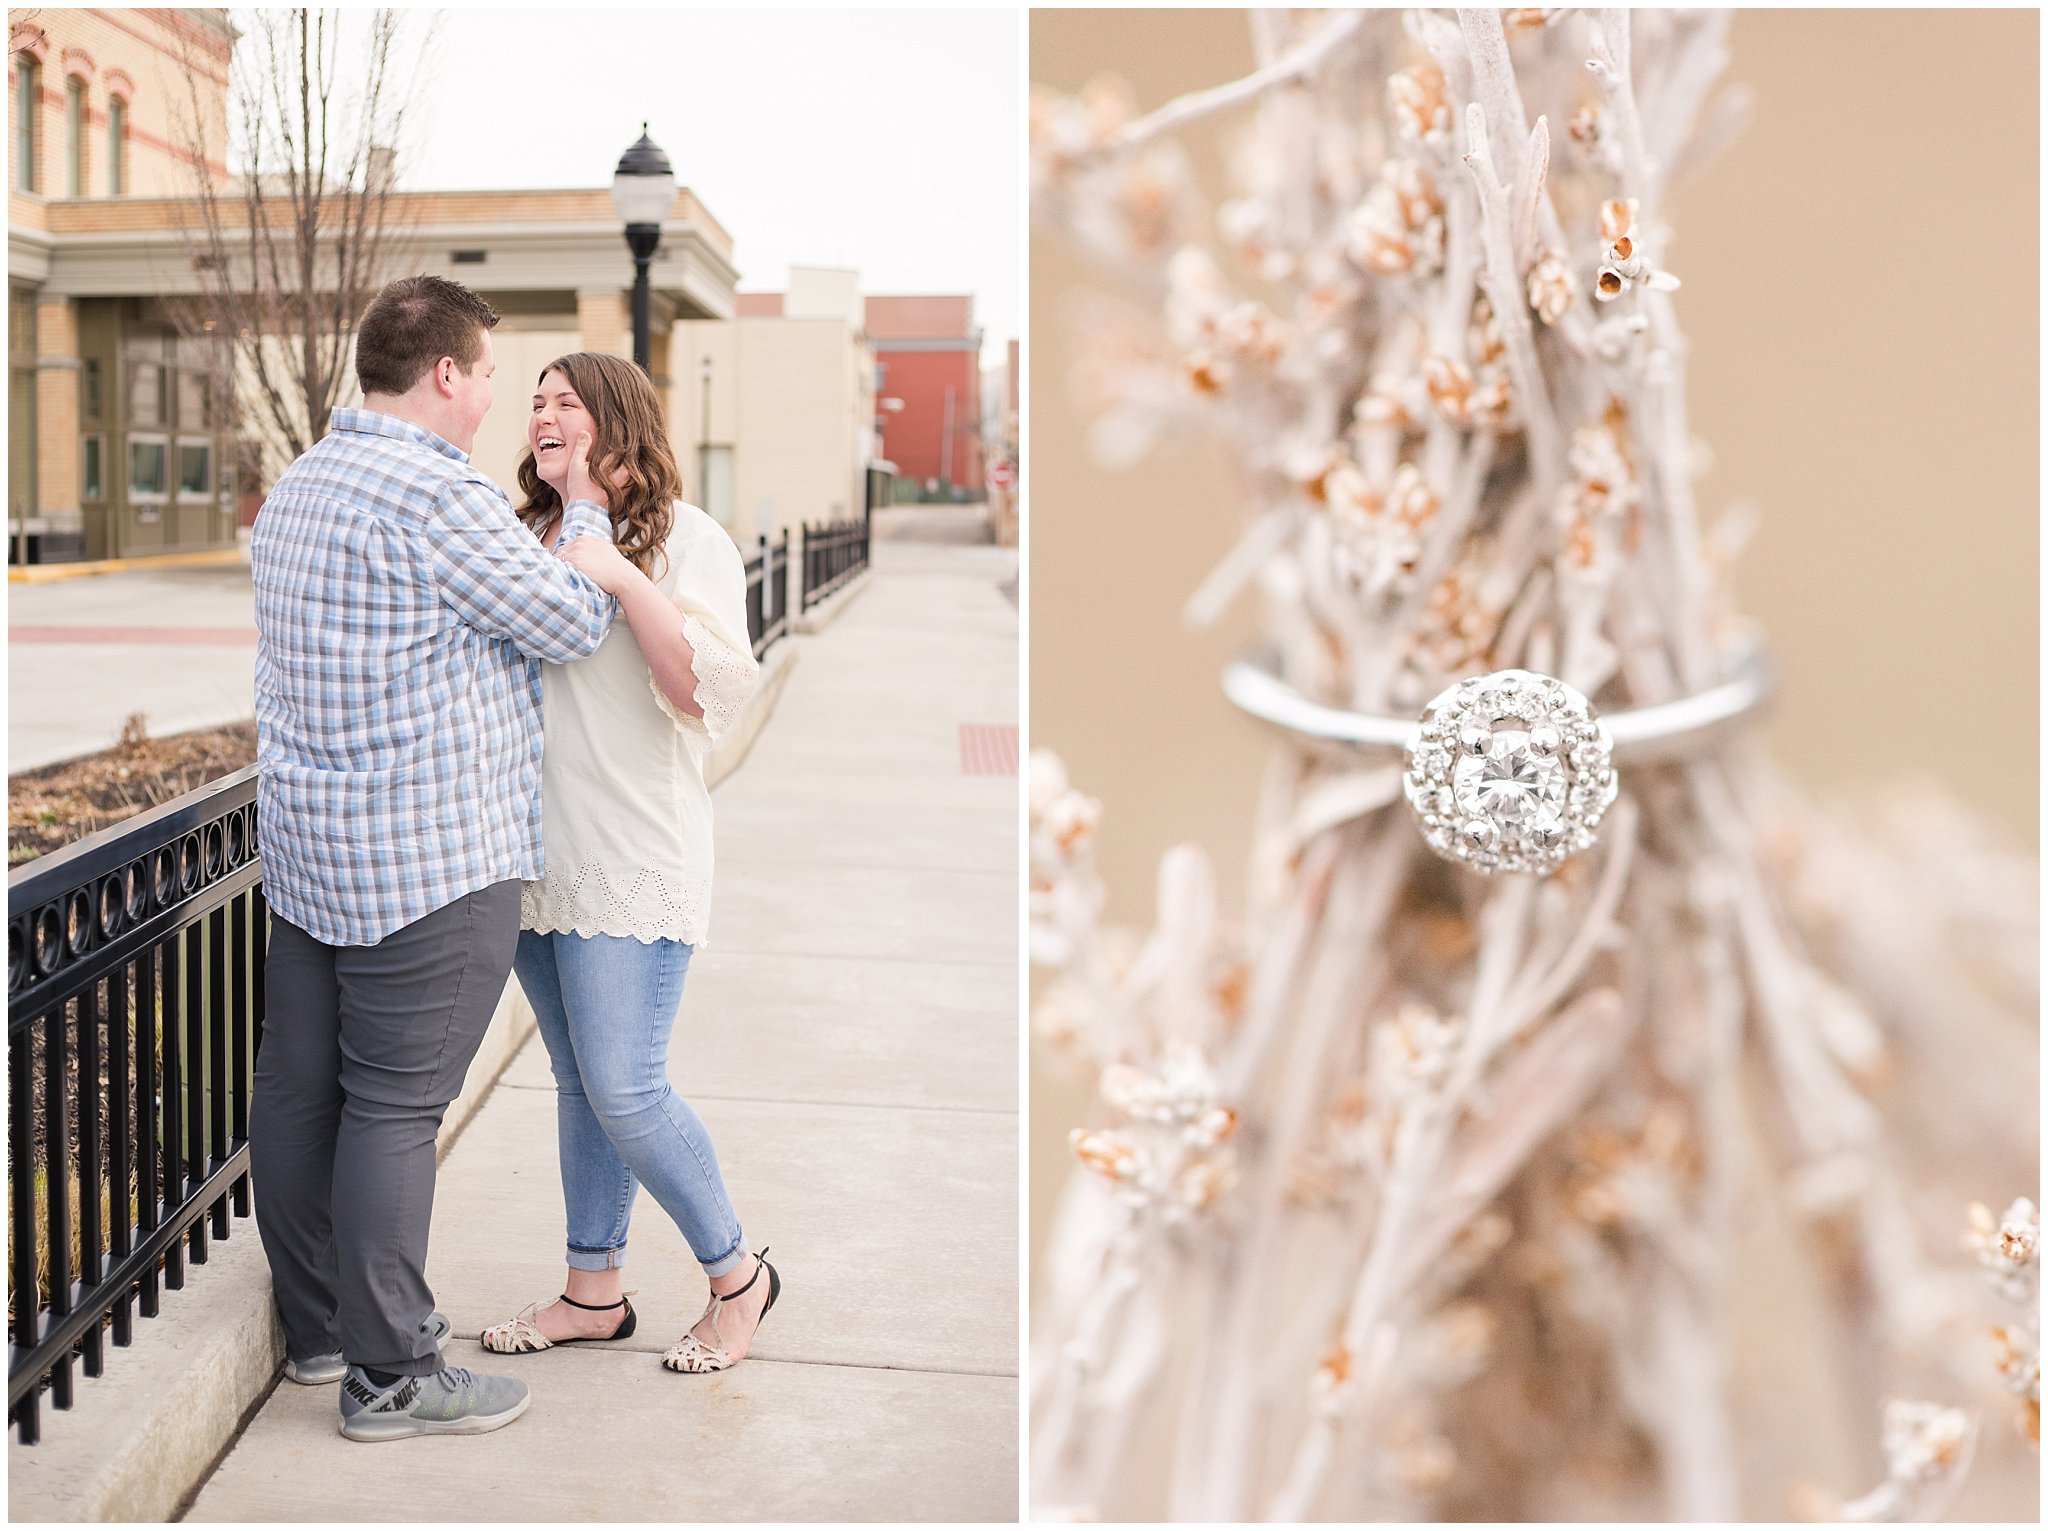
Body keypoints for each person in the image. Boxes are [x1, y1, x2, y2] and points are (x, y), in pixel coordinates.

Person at [248, 275, 636, 1441]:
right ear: (449, 374)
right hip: (429, 859)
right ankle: (393, 1372)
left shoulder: (303, 485)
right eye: (489, 380)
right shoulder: (436, 493)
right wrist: (588, 515)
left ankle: (319, 1332)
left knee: (300, 1091)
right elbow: (571, 620)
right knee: (394, 1111)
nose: (494, 407)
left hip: (312, 850)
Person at [477, 351, 780, 1374]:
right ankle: (591, 1290)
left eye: (566, 399)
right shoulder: (520, 535)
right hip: (533, 855)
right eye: (535, 401)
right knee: (578, 1084)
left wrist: (616, 574)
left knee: (626, 1085)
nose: (544, 413)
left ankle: (740, 1278)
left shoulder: (687, 540)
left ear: (615, 419)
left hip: (631, 852)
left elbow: (706, 694)